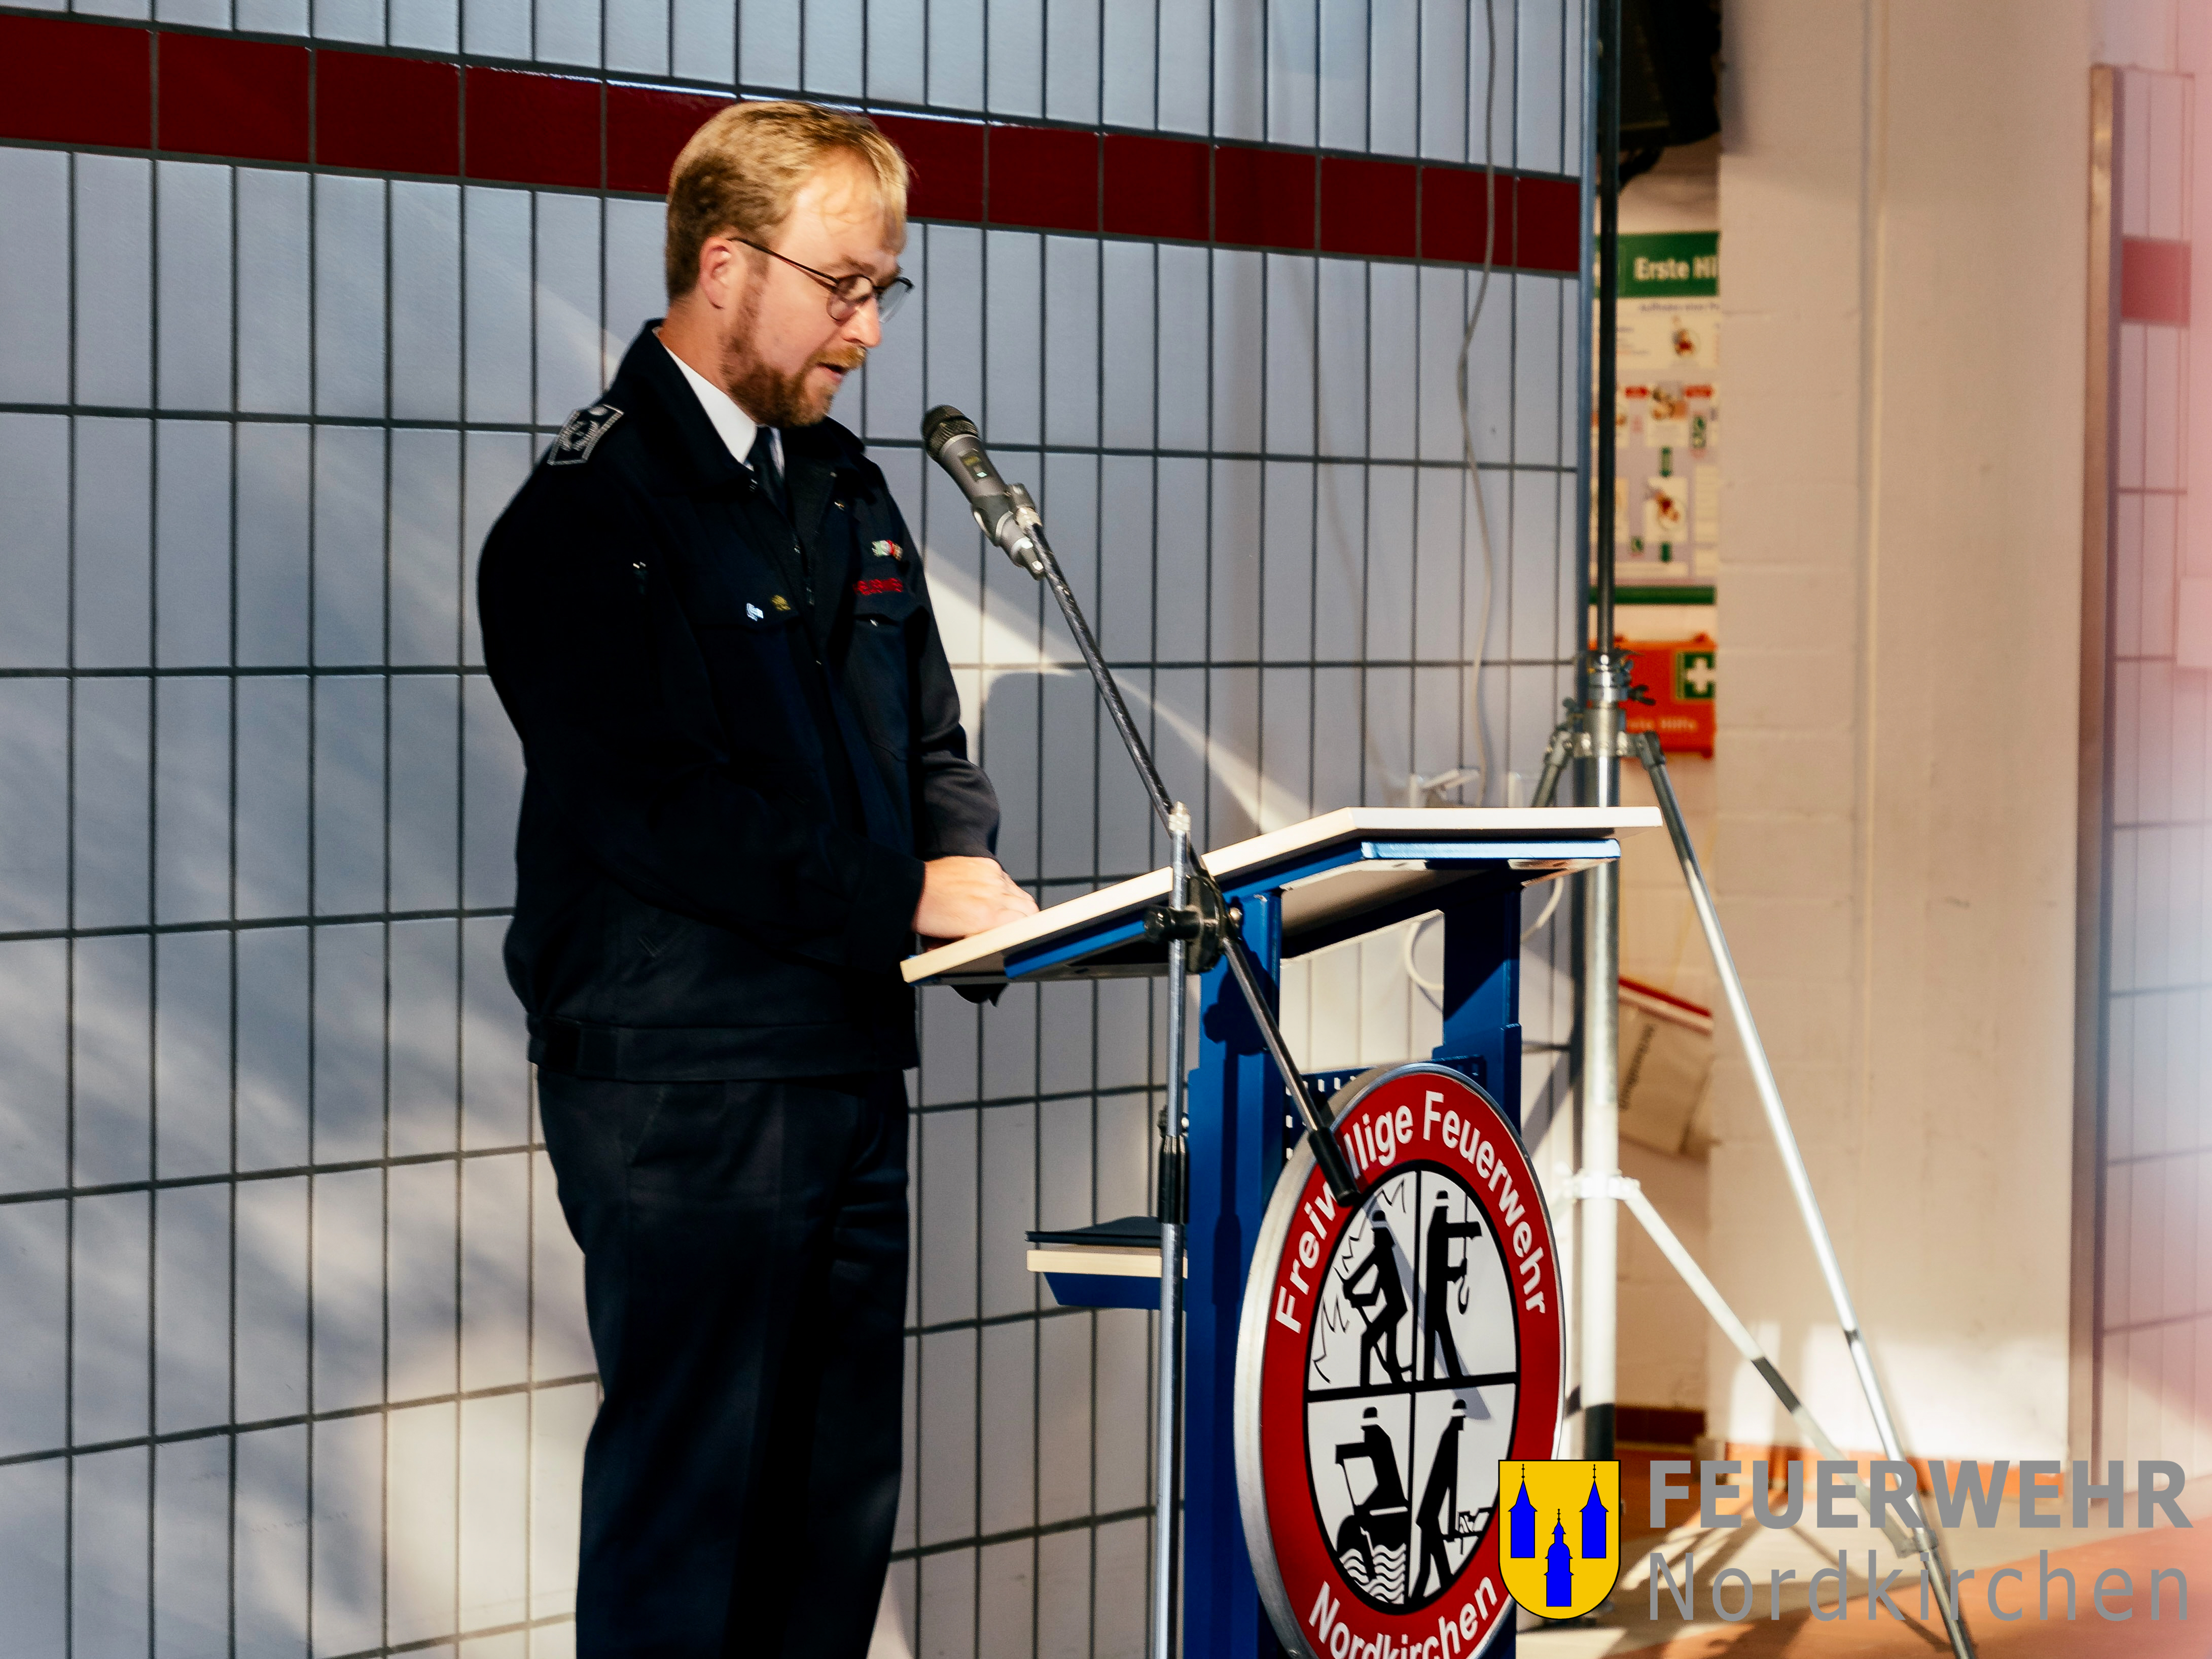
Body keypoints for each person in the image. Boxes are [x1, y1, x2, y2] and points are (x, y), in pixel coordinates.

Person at [477, 100, 1035, 1659]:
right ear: (725, 265)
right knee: (693, 1521)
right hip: (687, 1090)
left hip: (846, 1062)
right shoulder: (588, 517)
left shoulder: (842, 488)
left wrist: (963, 866)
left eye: (883, 291)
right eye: (842, 285)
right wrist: (897, 900)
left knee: (828, 1518)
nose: (864, 326)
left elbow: (927, 737)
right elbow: (656, 813)